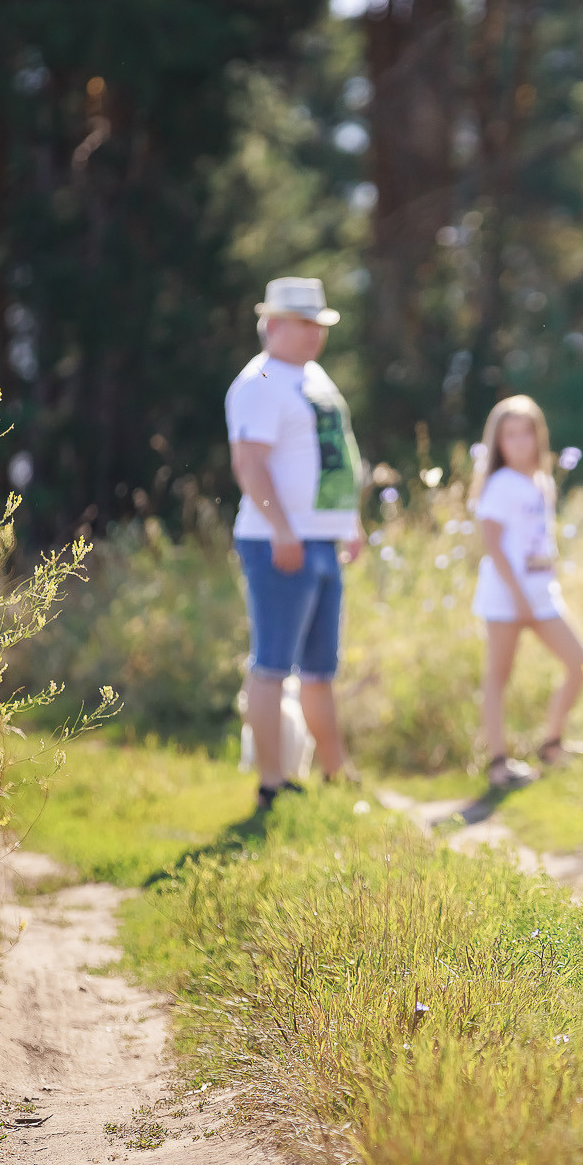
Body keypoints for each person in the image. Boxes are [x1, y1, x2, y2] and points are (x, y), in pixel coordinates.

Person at [225, 277, 365, 808]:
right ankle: (272, 783)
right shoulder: (260, 379)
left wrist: (349, 521)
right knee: (272, 665)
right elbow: (249, 464)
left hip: (321, 540)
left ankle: (335, 775)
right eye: (305, 325)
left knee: (319, 670)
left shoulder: (310, 374)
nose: (314, 335)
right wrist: (283, 529)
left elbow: (331, 452)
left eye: (319, 325)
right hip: (280, 543)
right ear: (273, 325)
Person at [471, 395, 583, 791]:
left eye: (528, 433)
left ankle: (552, 744)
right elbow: (493, 543)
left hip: (542, 594)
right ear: (498, 442)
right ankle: (498, 763)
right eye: (511, 435)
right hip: (507, 597)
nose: (521, 442)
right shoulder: (500, 485)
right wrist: (518, 596)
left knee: (581, 663)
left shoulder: (541, 480)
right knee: (498, 677)